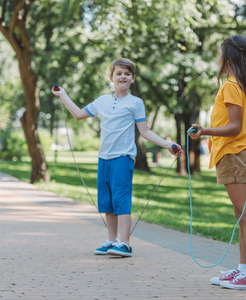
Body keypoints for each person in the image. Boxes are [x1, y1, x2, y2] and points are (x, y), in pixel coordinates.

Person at [52, 58, 182, 257]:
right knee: (107, 201)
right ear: (111, 77)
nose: (123, 77)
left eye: (127, 74)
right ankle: (112, 241)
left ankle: (125, 243)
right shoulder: (101, 101)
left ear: (133, 79)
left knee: (121, 200)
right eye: (119, 73)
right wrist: (63, 95)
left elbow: (145, 132)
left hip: (123, 157)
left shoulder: (135, 103)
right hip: (104, 158)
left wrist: (168, 145)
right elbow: (78, 114)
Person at [189, 35, 246, 289]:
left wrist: (204, 131)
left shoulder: (232, 85)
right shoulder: (237, 84)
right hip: (231, 154)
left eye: (220, 53)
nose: (217, 58)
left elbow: (233, 128)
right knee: (241, 214)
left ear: (228, 57)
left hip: (233, 153)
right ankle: (244, 270)